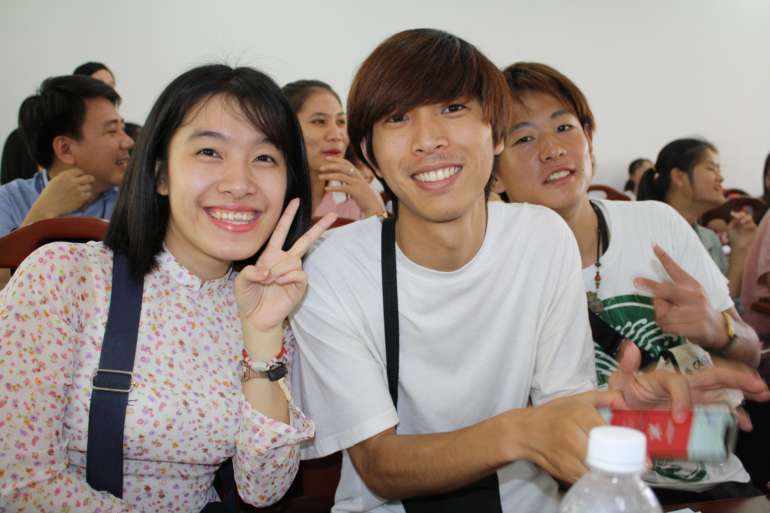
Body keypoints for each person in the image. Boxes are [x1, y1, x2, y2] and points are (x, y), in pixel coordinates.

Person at [288, 29, 769, 513]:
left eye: (453, 109)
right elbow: (379, 465)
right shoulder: (337, 266)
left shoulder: (541, 239)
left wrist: (630, 414)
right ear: (368, 153)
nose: (428, 140)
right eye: (397, 118)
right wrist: (521, 431)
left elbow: (565, 411)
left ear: (493, 133)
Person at [0, 64, 336, 512]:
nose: (240, 184)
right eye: (210, 153)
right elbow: (19, 484)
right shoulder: (65, 277)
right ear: (160, 174)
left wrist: (262, 334)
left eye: (265, 158)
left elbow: (263, 487)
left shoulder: (261, 300)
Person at [493, 61, 764, 504]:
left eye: (564, 127)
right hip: (594, 495)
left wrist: (720, 330)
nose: (552, 149)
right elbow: (528, 440)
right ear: (495, 172)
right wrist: (651, 421)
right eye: (524, 138)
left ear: (589, 142)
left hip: (719, 484)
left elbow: (751, 350)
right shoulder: (497, 272)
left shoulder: (656, 223)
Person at [0, 75, 134, 289]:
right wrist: (41, 215)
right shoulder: (8, 201)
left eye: (122, 128)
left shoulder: (135, 202)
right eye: (111, 131)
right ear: (65, 149)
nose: (128, 141)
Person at [638, 139, 757, 299]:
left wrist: (740, 249)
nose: (720, 178)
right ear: (679, 177)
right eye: (711, 168)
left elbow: (726, 310)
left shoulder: (709, 239)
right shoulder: (645, 235)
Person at [283, 79, 386, 220]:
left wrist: (373, 210)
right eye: (319, 121)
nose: (336, 135)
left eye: (341, 122)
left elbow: (385, 241)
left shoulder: (362, 198)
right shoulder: (267, 195)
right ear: (287, 128)